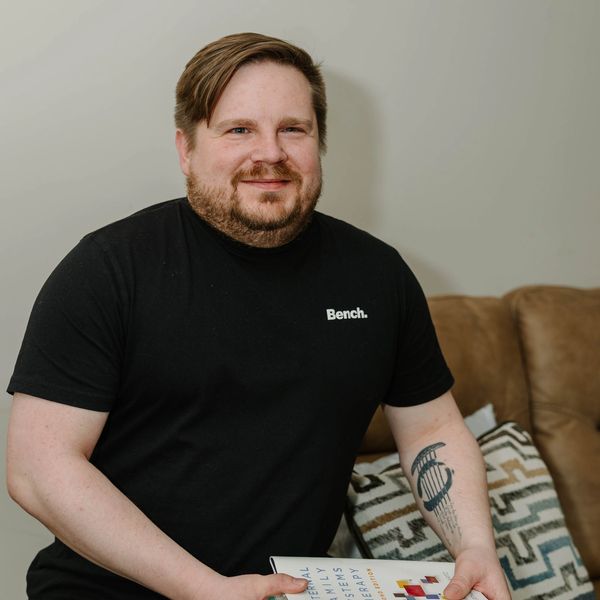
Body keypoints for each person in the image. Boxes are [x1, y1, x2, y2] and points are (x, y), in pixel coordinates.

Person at [6, 32, 510, 600]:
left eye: (293, 129)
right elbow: (38, 468)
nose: (270, 153)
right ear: (186, 149)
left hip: (292, 590)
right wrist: (202, 588)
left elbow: (432, 429)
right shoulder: (108, 269)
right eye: (239, 130)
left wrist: (475, 547)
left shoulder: (378, 275)